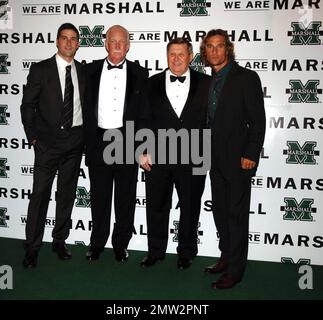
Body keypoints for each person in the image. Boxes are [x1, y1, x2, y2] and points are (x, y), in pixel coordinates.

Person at [201, 29, 266, 288]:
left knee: (237, 215)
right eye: (210, 47)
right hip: (213, 159)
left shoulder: (246, 78)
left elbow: (257, 121)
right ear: (204, 51)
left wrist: (251, 153)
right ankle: (226, 257)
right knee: (220, 212)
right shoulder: (207, 81)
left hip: (239, 161)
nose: (215, 51)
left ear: (228, 49)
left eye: (219, 46)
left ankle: (236, 271)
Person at [139, 38, 211, 269]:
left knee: (190, 206)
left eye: (181, 54)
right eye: (172, 54)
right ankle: (155, 251)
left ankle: (186, 252)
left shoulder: (208, 83)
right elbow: (142, 119)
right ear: (166, 55)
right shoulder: (152, 83)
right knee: (156, 205)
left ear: (191, 56)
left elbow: (215, 121)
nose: (177, 58)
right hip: (158, 155)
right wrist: (142, 150)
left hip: (195, 156)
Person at [20, 23, 85, 268]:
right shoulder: (40, 70)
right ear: (57, 41)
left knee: (66, 195)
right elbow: (27, 105)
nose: (69, 43)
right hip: (47, 143)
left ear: (78, 43)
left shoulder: (83, 71)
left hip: (75, 141)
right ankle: (32, 247)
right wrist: (33, 136)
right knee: (39, 196)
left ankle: (60, 240)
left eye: (73, 39)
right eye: (64, 38)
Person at [83, 25, 148, 262]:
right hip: (98, 142)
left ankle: (121, 245)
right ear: (106, 44)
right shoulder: (88, 71)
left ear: (128, 45)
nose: (118, 45)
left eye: (123, 41)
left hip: (126, 142)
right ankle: (97, 243)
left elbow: (143, 115)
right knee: (99, 197)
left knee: (125, 198)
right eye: (114, 41)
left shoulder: (141, 74)